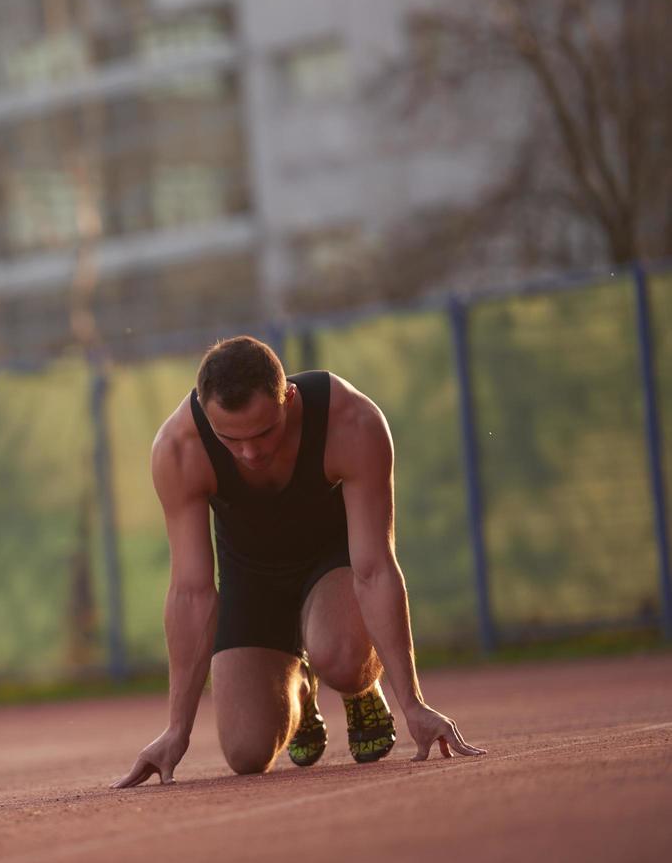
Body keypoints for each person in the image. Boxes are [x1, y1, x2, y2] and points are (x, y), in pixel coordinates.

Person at [113, 336, 485, 787]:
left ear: (288, 397)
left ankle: (357, 689)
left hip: (334, 565)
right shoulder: (179, 448)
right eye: (230, 438)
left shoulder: (351, 421)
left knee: (342, 659)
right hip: (251, 577)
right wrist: (177, 730)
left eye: (264, 432)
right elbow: (191, 592)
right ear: (206, 414)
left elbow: (375, 568)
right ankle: (301, 687)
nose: (250, 453)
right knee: (247, 753)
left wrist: (413, 704)